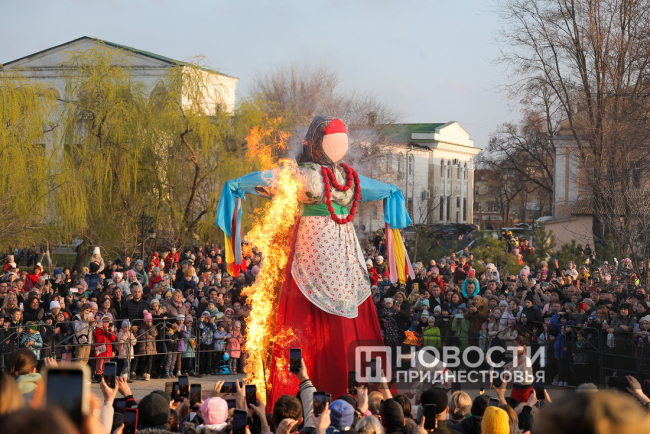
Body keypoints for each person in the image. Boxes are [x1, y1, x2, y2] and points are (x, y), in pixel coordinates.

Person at [217, 116, 414, 406]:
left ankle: (310, 387)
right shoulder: (333, 177)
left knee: (314, 316)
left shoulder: (336, 175)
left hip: (331, 252)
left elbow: (270, 179)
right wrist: (391, 191)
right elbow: (274, 179)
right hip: (326, 249)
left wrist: (238, 185)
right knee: (329, 317)